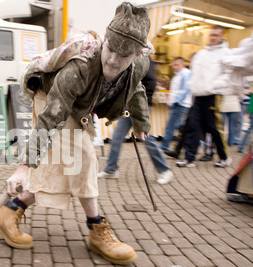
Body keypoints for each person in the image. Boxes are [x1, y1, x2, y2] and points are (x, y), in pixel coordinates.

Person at [0, 2, 152, 265]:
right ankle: (97, 229)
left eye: (123, 56)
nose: (112, 60)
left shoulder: (140, 64)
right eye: (110, 49)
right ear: (105, 39)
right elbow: (52, 116)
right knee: (83, 156)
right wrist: (23, 167)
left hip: (80, 107)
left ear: (137, 54)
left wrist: (142, 122)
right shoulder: (81, 66)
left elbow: (136, 88)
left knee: (71, 165)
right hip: (49, 96)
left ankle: (10, 211)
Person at [98, 55, 174, 185]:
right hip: (128, 104)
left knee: (146, 138)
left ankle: (165, 170)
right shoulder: (130, 56)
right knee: (117, 137)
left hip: (139, 105)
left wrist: (144, 101)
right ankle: (111, 169)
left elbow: (150, 81)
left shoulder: (143, 57)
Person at [177, 25, 231, 168]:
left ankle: (224, 157)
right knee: (193, 127)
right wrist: (192, 87)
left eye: (216, 35)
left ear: (221, 37)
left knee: (213, 127)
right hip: (198, 95)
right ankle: (189, 158)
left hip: (213, 95)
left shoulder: (226, 53)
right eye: (211, 34)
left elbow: (228, 75)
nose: (213, 37)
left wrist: (213, 86)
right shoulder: (201, 53)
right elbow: (194, 73)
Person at [161, 57, 192, 152]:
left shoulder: (185, 74)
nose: (174, 67)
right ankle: (195, 141)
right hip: (178, 104)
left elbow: (185, 89)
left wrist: (177, 101)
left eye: (176, 65)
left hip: (181, 104)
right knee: (181, 126)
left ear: (182, 65)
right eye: (173, 65)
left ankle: (164, 145)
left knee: (171, 126)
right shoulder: (177, 75)